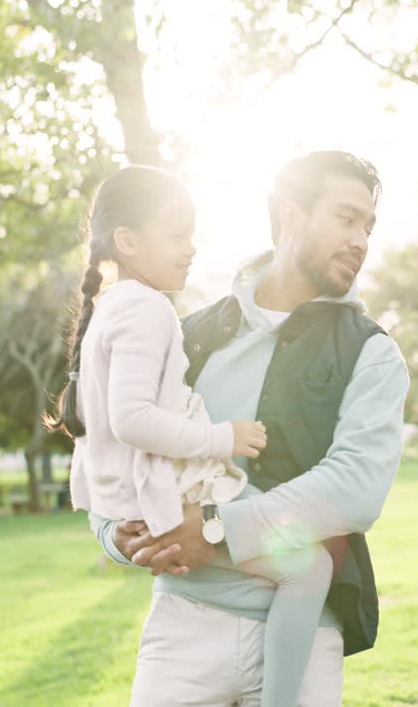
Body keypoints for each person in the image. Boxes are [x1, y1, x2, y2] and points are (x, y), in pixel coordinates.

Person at [89, 152, 409, 706]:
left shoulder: (372, 352)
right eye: (345, 218)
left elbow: (355, 486)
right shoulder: (191, 334)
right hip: (183, 623)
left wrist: (215, 526)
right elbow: (118, 439)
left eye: (368, 227)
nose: (361, 240)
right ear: (291, 215)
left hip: (305, 635)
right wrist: (112, 536)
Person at [56, 165, 339, 706]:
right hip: (164, 502)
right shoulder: (145, 308)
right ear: (128, 241)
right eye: (176, 234)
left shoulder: (111, 308)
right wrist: (221, 438)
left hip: (133, 504)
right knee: (310, 564)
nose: (191, 248)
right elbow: (131, 418)